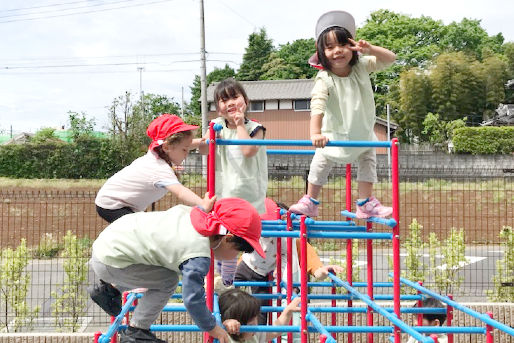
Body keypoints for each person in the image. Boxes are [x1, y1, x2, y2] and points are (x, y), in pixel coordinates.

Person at [88, 198, 265, 343]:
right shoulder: (198, 254)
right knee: (168, 281)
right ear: (228, 239)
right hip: (112, 260)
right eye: (238, 251)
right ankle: (136, 331)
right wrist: (213, 328)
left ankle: (109, 290)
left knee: (161, 265)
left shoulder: (194, 214)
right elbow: (192, 299)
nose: (236, 256)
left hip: (109, 244)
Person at [289, 10, 396, 219]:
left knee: (368, 159)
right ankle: (310, 200)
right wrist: (315, 134)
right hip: (333, 134)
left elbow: (391, 59)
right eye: (329, 47)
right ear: (321, 52)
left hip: (361, 133)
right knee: (320, 160)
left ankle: (365, 203)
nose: (337, 51)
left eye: (343, 44)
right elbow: (317, 106)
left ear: (352, 46)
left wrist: (370, 49)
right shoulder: (324, 78)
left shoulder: (362, 67)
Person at [228, 198, 343, 326]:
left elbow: (315, 267)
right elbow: (244, 263)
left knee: (267, 314)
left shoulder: (295, 241)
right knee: (238, 299)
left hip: (285, 297)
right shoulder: (257, 235)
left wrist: (322, 271)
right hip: (261, 280)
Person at [199, 78, 268, 288]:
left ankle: (229, 277)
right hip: (224, 192)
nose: (230, 102)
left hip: (249, 194)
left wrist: (239, 124)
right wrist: (210, 136)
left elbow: (248, 151)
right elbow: (203, 150)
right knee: (223, 236)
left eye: (234, 97)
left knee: (239, 238)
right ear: (218, 109)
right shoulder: (216, 127)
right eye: (223, 99)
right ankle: (225, 277)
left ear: (245, 101)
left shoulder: (256, 128)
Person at [95, 113, 214, 223]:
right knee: (140, 234)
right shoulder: (159, 168)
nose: (187, 153)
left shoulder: (158, 153)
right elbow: (180, 192)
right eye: (184, 150)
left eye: (188, 148)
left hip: (118, 202)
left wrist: (205, 140)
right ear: (167, 147)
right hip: (112, 205)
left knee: (140, 233)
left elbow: (184, 144)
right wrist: (202, 204)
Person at [219, 288, 301, 343]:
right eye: (251, 324)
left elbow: (275, 331)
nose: (256, 324)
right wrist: (226, 324)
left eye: (256, 318)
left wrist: (288, 311)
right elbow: (214, 327)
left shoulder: (253, 335)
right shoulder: (225, 337)